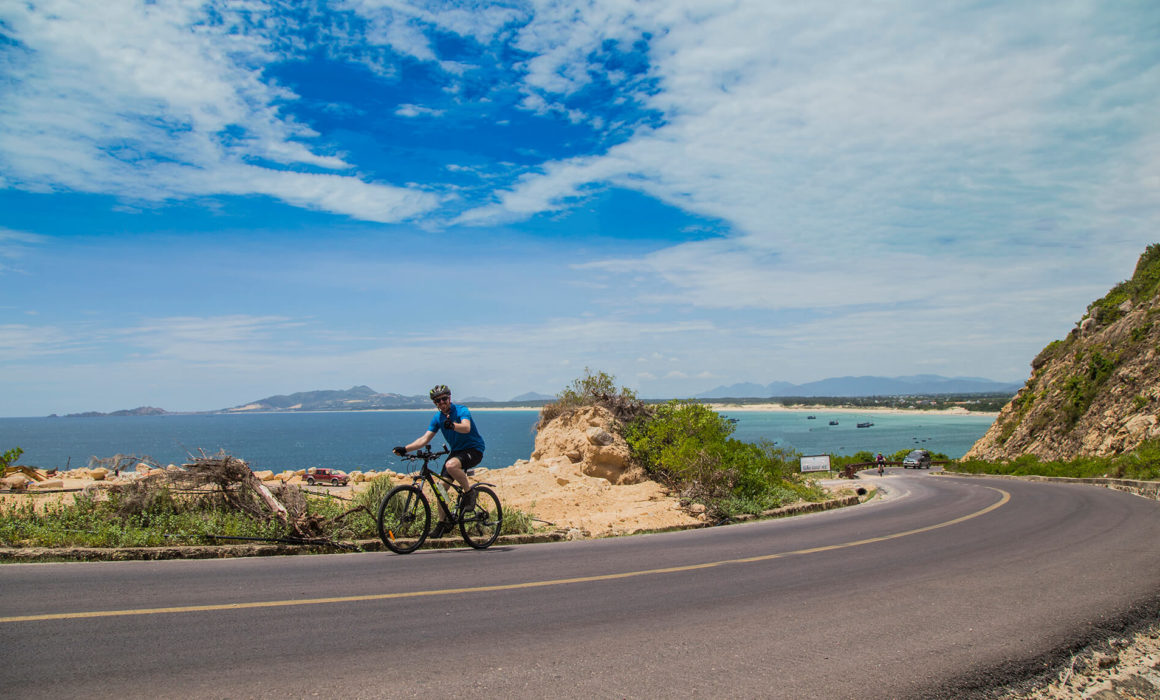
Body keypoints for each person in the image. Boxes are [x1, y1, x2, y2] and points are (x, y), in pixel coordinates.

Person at [393, 384, 486, 535]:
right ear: (435, 404)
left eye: (444, 399)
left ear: (449, 398)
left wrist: (453, 425)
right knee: (440, 489)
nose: (441, 403)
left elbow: (466, 427)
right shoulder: (438, 418)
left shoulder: (462, 410)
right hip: (457, 452)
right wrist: (405, 448)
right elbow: (424, 439)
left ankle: (470, 493)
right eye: (437, 401)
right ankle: (443, 523)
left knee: (450, 465)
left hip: (473, 450)